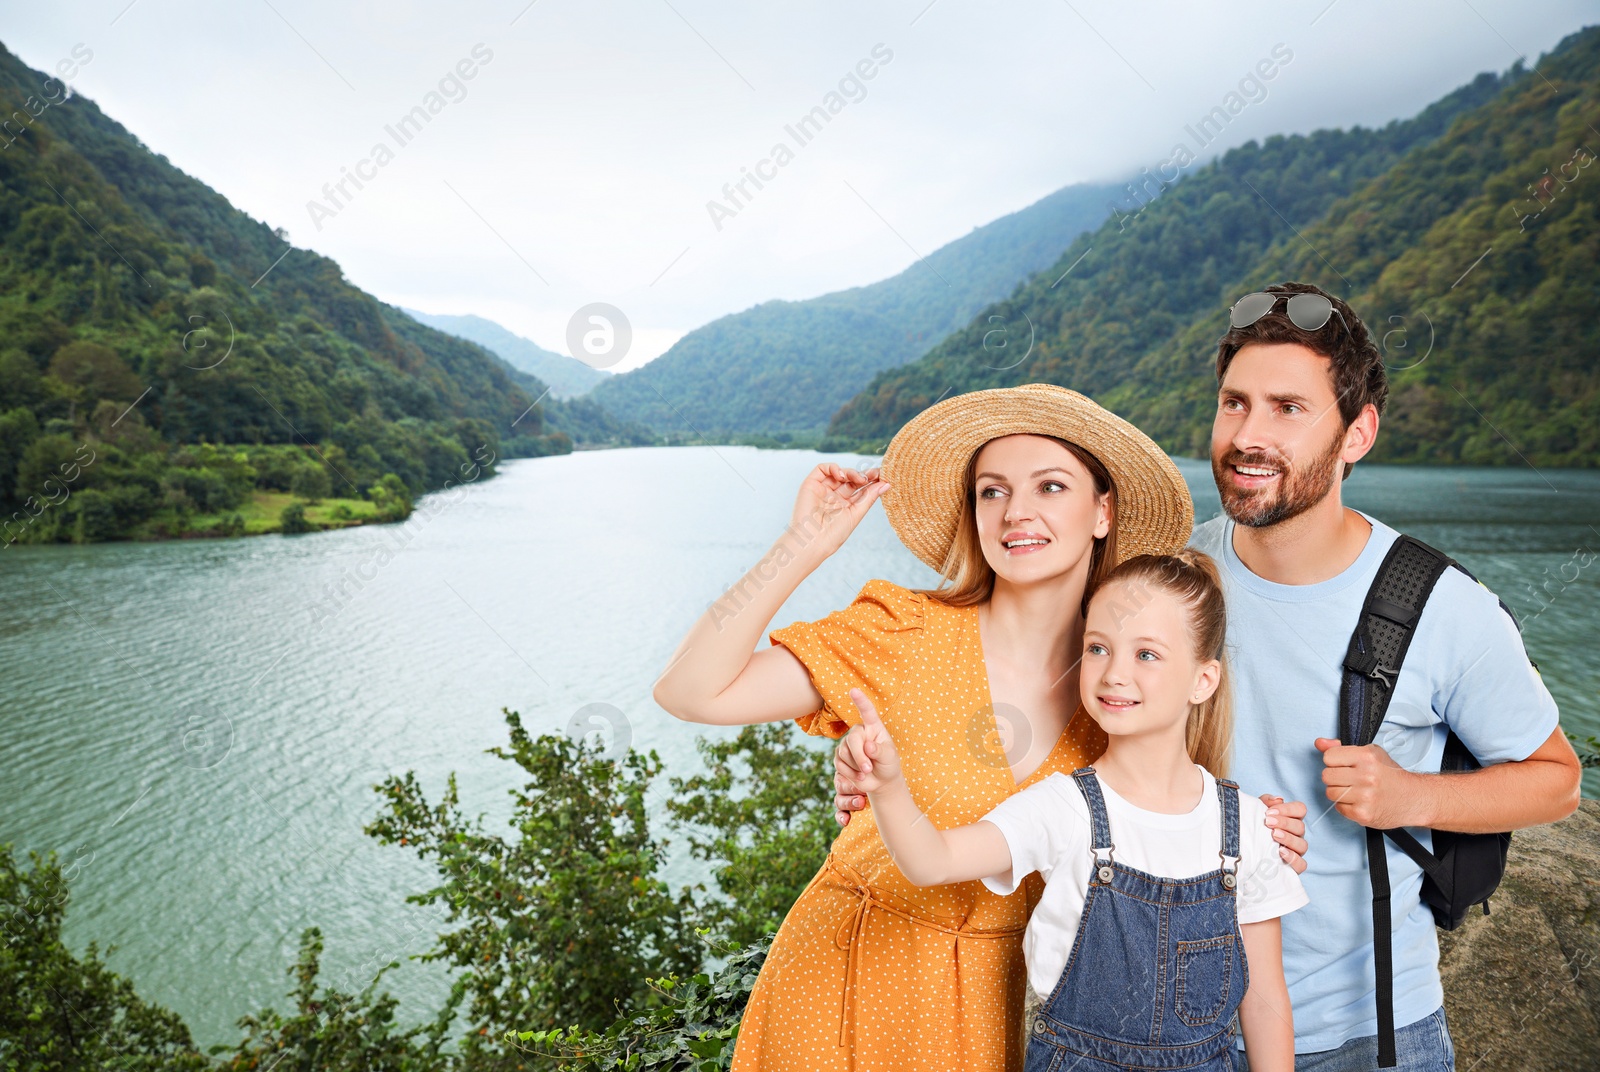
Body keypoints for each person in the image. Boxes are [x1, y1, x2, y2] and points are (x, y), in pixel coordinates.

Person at [835, 282, 1584, 1071]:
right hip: (1150, 1036)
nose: (1247, 435)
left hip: (1364, 1031)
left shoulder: (1440, 607)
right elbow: (1040, 693)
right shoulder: (1171, 580)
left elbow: (1555, 780)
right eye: (1234, 404)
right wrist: (892, 769)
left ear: (1358, 433)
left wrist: (1411, 797)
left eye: (1287, 409)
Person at [654, 383, 1303, 1072]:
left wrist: (1247, 824)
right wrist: (802, 545)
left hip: (985, 1014)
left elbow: (1168, 806)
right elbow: (691, 691)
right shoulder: (901, 631)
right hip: (840, 981)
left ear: (1102, 510)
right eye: (992, 492)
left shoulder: (1122, 687)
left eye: (1050, 486)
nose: (1016, 512)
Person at [837, 550, 1307, 1072]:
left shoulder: (1247, 828)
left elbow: (1265, 1002)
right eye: (1098, 648)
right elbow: (932, 860)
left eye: (1146, 655)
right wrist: (888, 785)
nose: (1114, 674)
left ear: (1204, 680)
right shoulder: (1062, 809)